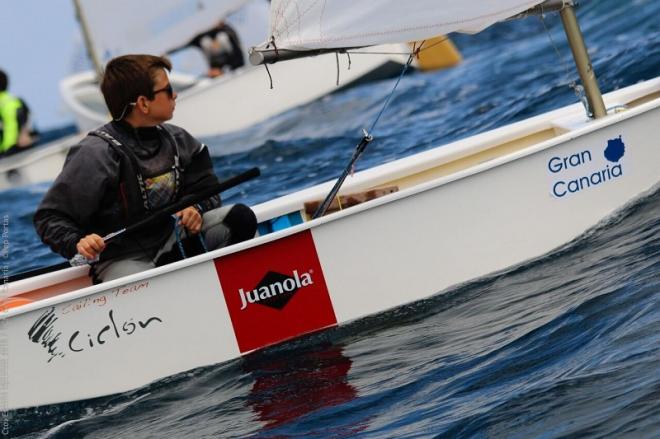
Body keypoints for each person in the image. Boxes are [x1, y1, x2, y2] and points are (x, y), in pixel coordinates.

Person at [34, 54, 257, 282]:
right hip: (122, 260)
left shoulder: (181, 140)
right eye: (168, 90)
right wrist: (77, 242)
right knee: (143, 284)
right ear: (143, 103)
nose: (175, 94)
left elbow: (209, 190)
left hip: (174, 240)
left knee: (241, 218)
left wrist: (195, 207)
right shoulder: (95, 155)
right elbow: (49, 218)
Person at [169, 21, 244, 78]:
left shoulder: (224, 31)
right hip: (216, 63)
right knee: (211, 40)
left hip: (231, 61)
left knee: (215, 39)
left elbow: (184, 44)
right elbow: (183, 44)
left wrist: (168, 51)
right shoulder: (202, 37)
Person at [0, 69, 35, 157]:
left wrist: (6, 152)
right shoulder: (14, 101)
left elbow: (11, 128)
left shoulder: (5, 104)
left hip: (11, 154)